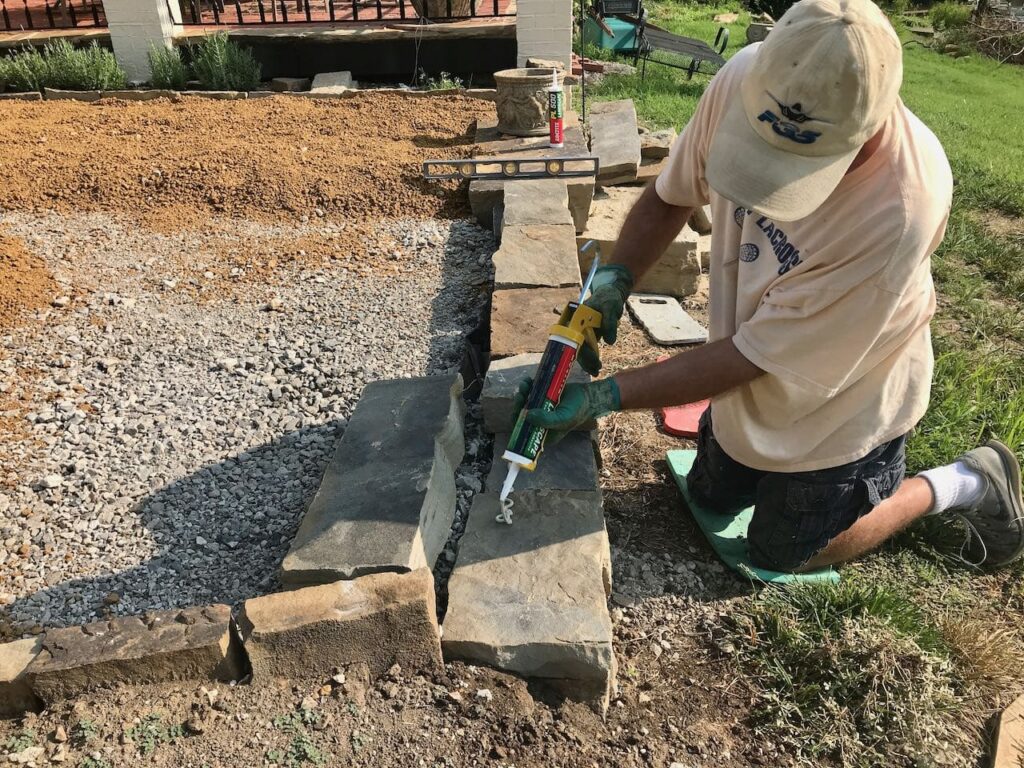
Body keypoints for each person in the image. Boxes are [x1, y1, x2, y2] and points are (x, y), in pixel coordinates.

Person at [514, 0, 1024, 572]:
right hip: (755, 352)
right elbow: (670, 195)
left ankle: (961, 482)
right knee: (710, 496)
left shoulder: (899, 209)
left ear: (869, 126)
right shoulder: (752, 80)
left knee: (786, 554)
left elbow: (753, 357)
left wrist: (607, 397)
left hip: (842, 395)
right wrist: (616, 276)